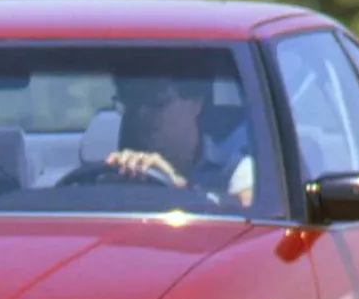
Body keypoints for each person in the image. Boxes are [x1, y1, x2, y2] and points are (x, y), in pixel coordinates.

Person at [106, 74, 255, 208]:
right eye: (130, 103)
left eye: (157, 103)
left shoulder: (233, 168)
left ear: (195, 103)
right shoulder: (112, 169)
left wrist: (181, 192)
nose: (141, 114)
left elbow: (251, 208)